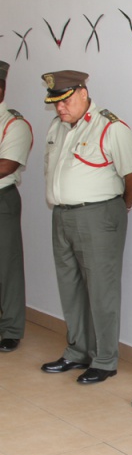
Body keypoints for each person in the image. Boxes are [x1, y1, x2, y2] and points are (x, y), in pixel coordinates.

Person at [40, 70, 132, 383]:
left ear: (84, 93)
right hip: (62, 215)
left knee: (102, 290)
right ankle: (77, 351)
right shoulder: (57, 127)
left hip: (98, 216)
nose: (60, 107)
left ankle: (105, 359)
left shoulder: (110, 127)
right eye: (55, 102)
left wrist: (121, 206)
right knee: (70, 287)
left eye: (65, 100)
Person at [0, 61, 33, 354]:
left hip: (2, 200)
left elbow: (6, 165)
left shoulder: (14, 124)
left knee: (6, 266)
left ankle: (10, 329)